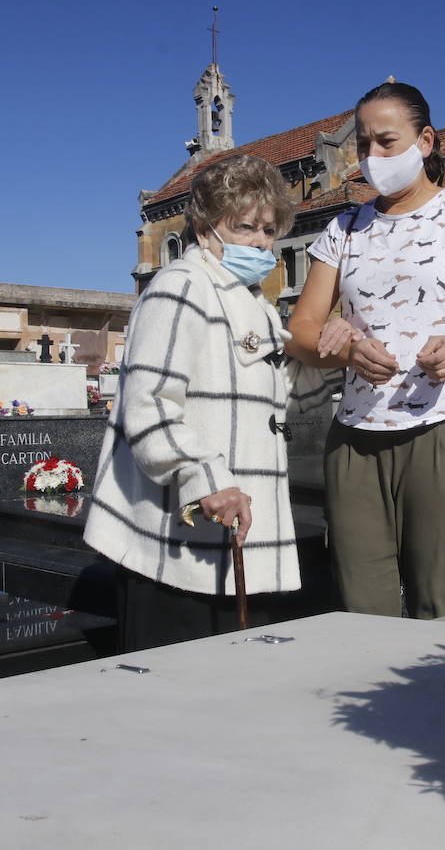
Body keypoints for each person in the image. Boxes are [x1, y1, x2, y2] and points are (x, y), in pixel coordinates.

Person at [84, 154, 340, 650]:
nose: (262, 242)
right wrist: (205, 479)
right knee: (176, 689)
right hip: (185, 539)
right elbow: (149, 403)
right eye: (245, 227)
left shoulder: (253, 304)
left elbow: (276, 396)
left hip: (237, 531)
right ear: (204, 229)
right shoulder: (180, 287)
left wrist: (336, 355)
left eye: (269, 230)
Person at [286, 81, 445, 620]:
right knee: (359, 600)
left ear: (426, 140)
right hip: (356, 432)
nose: (373, 157)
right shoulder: (344, 228)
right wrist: (342, 350)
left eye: (387, 142)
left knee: (444, 600)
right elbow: (301, 330)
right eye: (364, 145)